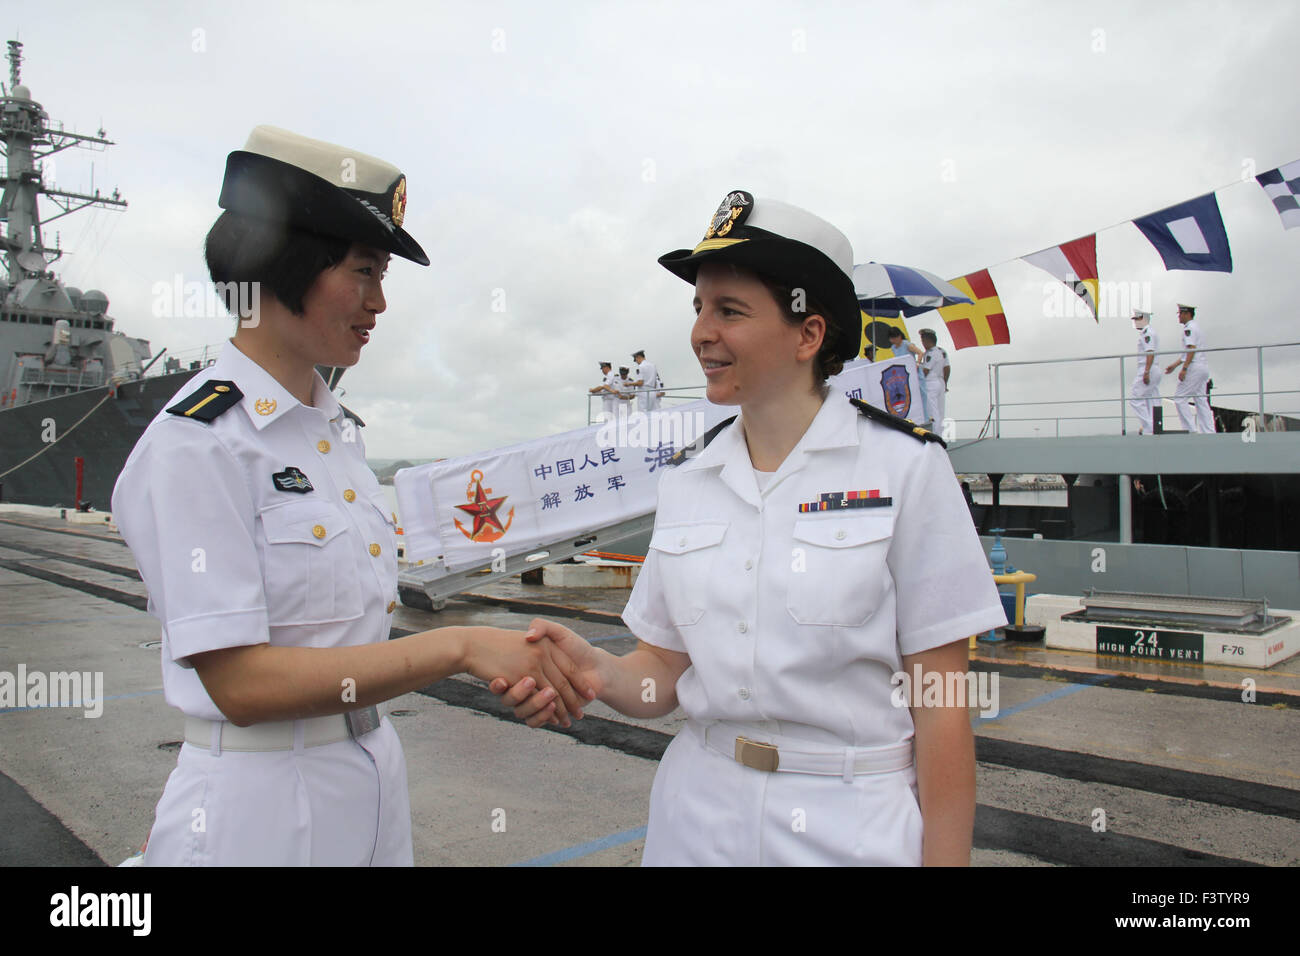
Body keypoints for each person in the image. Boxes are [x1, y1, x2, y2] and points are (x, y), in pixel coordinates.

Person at [111, 126, 588, 866]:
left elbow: (337, 647)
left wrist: (510, 664)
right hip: (257, 809)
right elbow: (241, 683)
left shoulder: (328, 437)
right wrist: (460, 645)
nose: (380, 303)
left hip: (366, 780)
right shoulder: (200, 442)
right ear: (284, 264)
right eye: (365, 272)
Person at [494, 190, 1006, 865]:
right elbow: (665, 675)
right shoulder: (687, 478)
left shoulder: (906, 469)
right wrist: (597, 672)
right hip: (697, 818)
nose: (702, 332)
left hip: (849, 826)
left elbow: (941, 702)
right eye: (699, 308)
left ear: (808, 333)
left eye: (729, 311)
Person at [1165, 303, 1213, 434]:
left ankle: (1190, 430)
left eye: (1180, 313)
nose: (1179, 316)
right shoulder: (1196, 328)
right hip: (1202, 367)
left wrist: (1184, 369)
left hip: (1194, 367)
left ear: (1187, 314)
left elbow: (1191, 348)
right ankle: (1209, 431)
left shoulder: (1189, 329)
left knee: (1180, 398)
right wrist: (1175, 366)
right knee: (1201, 399)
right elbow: (1187, 352)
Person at [1127, 310, 1162, 434]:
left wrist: (1146, 371)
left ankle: (1149, 428)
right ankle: (1156, 426)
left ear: (1143, 318)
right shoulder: (1149, 332)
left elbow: (1150, 352)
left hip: (1148, 367)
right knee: (1152, 399)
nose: (1135, 322)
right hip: (1154, 368)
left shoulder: (1147, 333)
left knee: (1135, 398)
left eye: (1136, 319)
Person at [918, 328, 950, 433]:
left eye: (922, 340)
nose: (922, 343)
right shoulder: (942, 351)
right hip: (941, 382)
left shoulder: (930, 353)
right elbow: (947, 368)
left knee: (932, 411)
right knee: (941, 412)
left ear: (927, 340)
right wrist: (945, 383)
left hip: (930, 383)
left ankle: (935, 435)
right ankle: (940, 435)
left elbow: (925, 371)